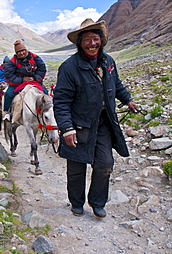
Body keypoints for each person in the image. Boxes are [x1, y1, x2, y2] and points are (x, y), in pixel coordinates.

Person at [53, 18, 138, 219]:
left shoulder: (108, 62)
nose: (92, 44)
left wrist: (128, 100)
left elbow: (116, 83)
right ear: (80, 42)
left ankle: (97, 202)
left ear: (102, 40)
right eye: (88, 40)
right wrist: (67, 129)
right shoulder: (69, 67)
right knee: (76, 168)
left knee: (105, 164)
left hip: (103, 123)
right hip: (78, 125)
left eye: (96, 39)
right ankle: (76, 202)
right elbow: (62, 101)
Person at [3, 40, 47, 120]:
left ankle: (47, 111)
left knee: (45, 93)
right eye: (19, 51)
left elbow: (42, 69)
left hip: (34, 81)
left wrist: (34, 78)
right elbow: (9, 76)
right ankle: (7, 112)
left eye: (23, 50)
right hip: (19, 83)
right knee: (9, 94)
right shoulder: (12, 62)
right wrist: (22, 79)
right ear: (16, 53)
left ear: (26, 50)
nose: (21, 53)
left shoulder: (35, 57)